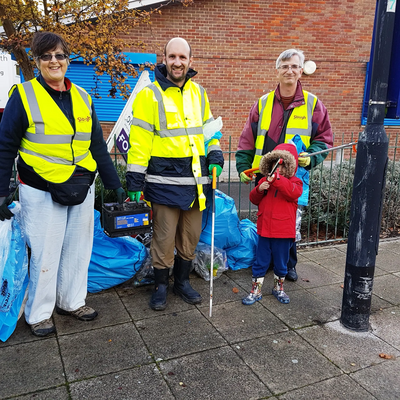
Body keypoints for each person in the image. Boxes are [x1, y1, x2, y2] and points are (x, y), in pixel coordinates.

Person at [0, 31, 126, 337]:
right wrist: (1, 192)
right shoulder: (24, 95)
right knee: (45, 251)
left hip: (80, 186)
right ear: (38, 61)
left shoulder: (83, 97)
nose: (54, 61)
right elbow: (5, 146)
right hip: (41, 190)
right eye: (46, 56)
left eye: (59, 55)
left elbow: (97, 144)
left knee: (78, 249)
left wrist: (113, 182)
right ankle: (39, 313)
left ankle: (72, 301)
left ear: (67, 59)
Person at [126, 37, 224, 311]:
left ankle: (181, 282)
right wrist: (135, 178)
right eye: (172, 57)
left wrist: (215, 155)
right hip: (164, 184)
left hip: (196, 184)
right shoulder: (150, 94)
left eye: (183, 57)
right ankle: (160, 286)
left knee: (190, 238)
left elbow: (209, 133)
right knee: (164, 239)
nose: (178, 62)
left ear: (190, 61)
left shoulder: (199, 93)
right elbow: (140, 141)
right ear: (164, 59)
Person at [235, 49, 333, 281]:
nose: (289, 70)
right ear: (277, 70)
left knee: (290, 223)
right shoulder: (262, 103)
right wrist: (242, 167)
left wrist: (313, 157)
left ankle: (288, 265)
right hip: (265, 174)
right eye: (285, 66)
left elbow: (324, 139)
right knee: (266, 218)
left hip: (294, 176)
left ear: (301, 71)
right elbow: (248, 139)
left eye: (294, 66)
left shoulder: (313, 104)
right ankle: (266, 262)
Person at [242, 143, 303, 305]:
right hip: (264, 230)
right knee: (260, 261)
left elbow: (292, 193)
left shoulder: (295, 182)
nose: (278, 170)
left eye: (282, 166)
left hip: (283, 232)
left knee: (281, 262)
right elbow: (254, 199)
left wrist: (277, 180)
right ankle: (256, 290)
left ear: (290, 167)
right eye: (275, 165)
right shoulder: (265, 180)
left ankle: (278, 288)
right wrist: (259, 189)